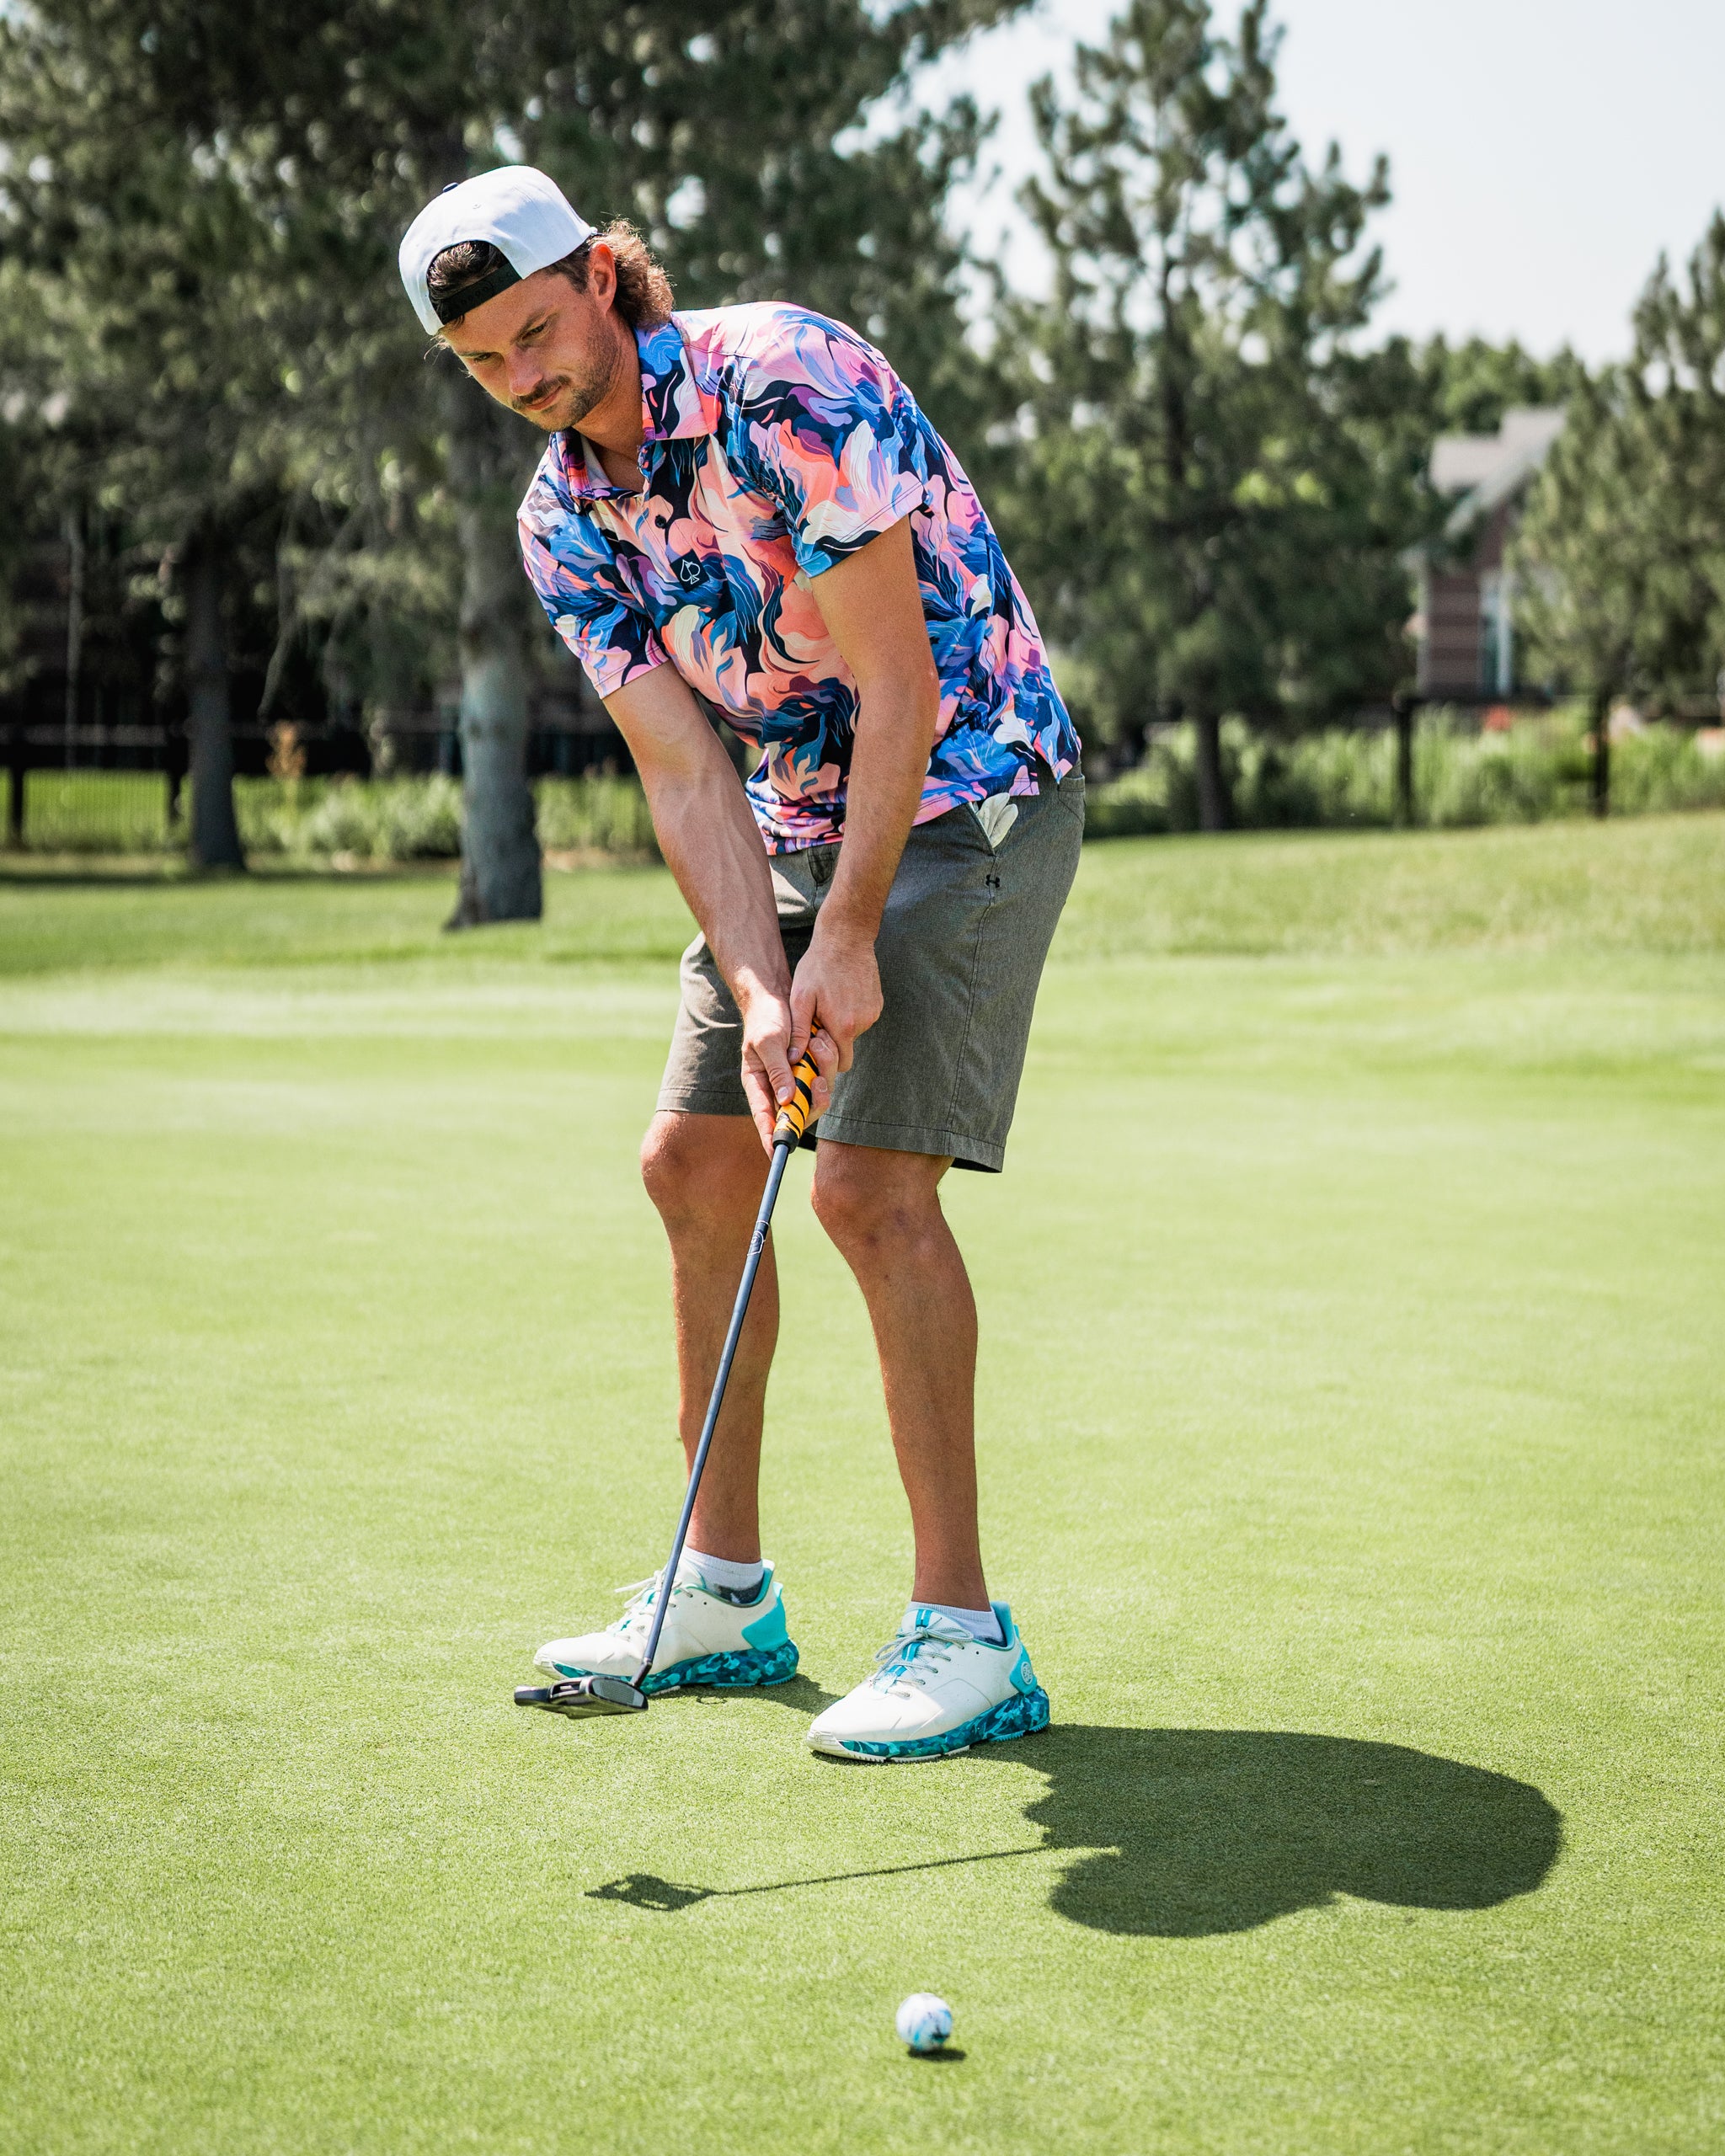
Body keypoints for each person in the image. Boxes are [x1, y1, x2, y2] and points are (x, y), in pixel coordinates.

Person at [398, 168, 1083, 1762]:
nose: (527, 378)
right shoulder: (564, 515)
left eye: (538, 330)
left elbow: (900, 689)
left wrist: (843, 941)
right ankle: (721, 1588)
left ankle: (965, 1636)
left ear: (601, 272)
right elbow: (686, 772)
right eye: (488, 365)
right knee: (694, 1163)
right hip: (788, 825)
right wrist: (767, 984)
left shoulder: (787, 381)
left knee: (860, 1187)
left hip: (971, 790)